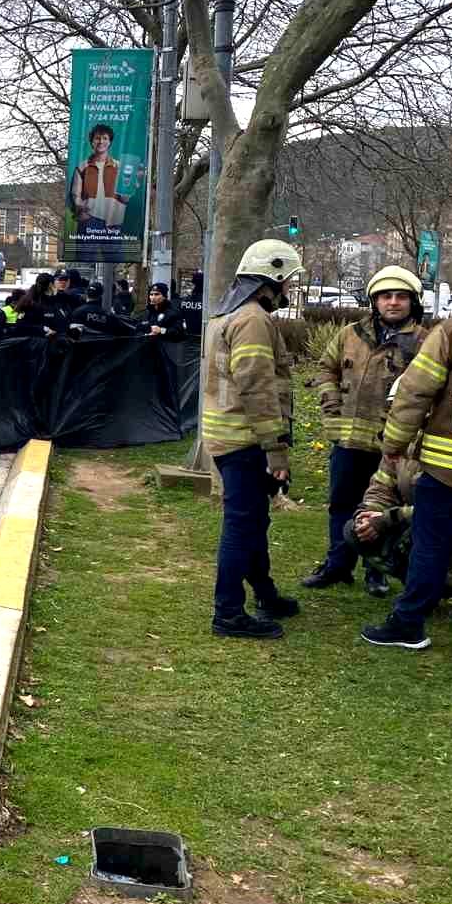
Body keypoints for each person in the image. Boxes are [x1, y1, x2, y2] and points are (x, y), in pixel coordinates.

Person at [361, 247, 452, 660]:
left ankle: (408, 624)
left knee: (430, 546)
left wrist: (394, 446)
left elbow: (414, 393)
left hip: (444, 470)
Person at [201, 239, 305, 639]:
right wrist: (275, 450)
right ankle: (228, 613)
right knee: (243, 525)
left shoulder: (226, 314)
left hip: (229, 436)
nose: (289, 289)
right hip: (246, 440)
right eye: (288, 282)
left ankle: (265, 593)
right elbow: (258, 387)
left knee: (254, 521)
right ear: (272, 279)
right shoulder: (253, 320)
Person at [303, 266, 425, 596]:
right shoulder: (350, 334)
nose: (394, 303)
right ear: (374, 301)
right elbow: (326, 367)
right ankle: (337, 565)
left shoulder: (425, 343)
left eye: (401, 297)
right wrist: (330, 402)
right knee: (341, 503)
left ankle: (377, 570)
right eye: (386, 296)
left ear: (413, 301)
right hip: (348, 439)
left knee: (382, 508)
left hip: (392, 446)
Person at [346, 435, 452, 607]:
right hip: (418, 520)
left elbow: (444, 507)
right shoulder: (402, 443)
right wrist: (369, 514)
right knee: (355, 531)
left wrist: (389, 518)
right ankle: (423, 591)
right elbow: (381, 487)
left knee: (427, 537)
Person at [68, 124, 136, 234]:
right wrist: (82, 212)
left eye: (105, 138)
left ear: (110, 142)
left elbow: (125, 199)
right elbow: (75, 195)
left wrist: (131, 185)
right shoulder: (82, 167)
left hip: (114, 222)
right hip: (89, 221)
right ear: (92, 142)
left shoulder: (120, 167)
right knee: (85, 252)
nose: (101, 142)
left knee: (112, 252)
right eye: (97, 138)